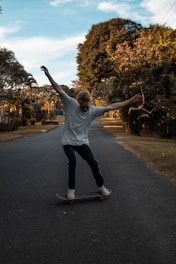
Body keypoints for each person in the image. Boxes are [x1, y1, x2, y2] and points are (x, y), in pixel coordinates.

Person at [41, 66, 141, 199]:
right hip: (68, 141)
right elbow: (59, 89)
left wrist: (130, 101)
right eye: (82, 107)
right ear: (79, 102)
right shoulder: (71, 103)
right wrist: (48, 75)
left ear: (90, 103)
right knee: (72, 160)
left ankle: (102, 187)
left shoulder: (93, 110)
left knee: (93, 162)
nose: (85, 109)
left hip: (82, 142)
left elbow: (112, 106)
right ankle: (71, 191)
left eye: (87, 107)